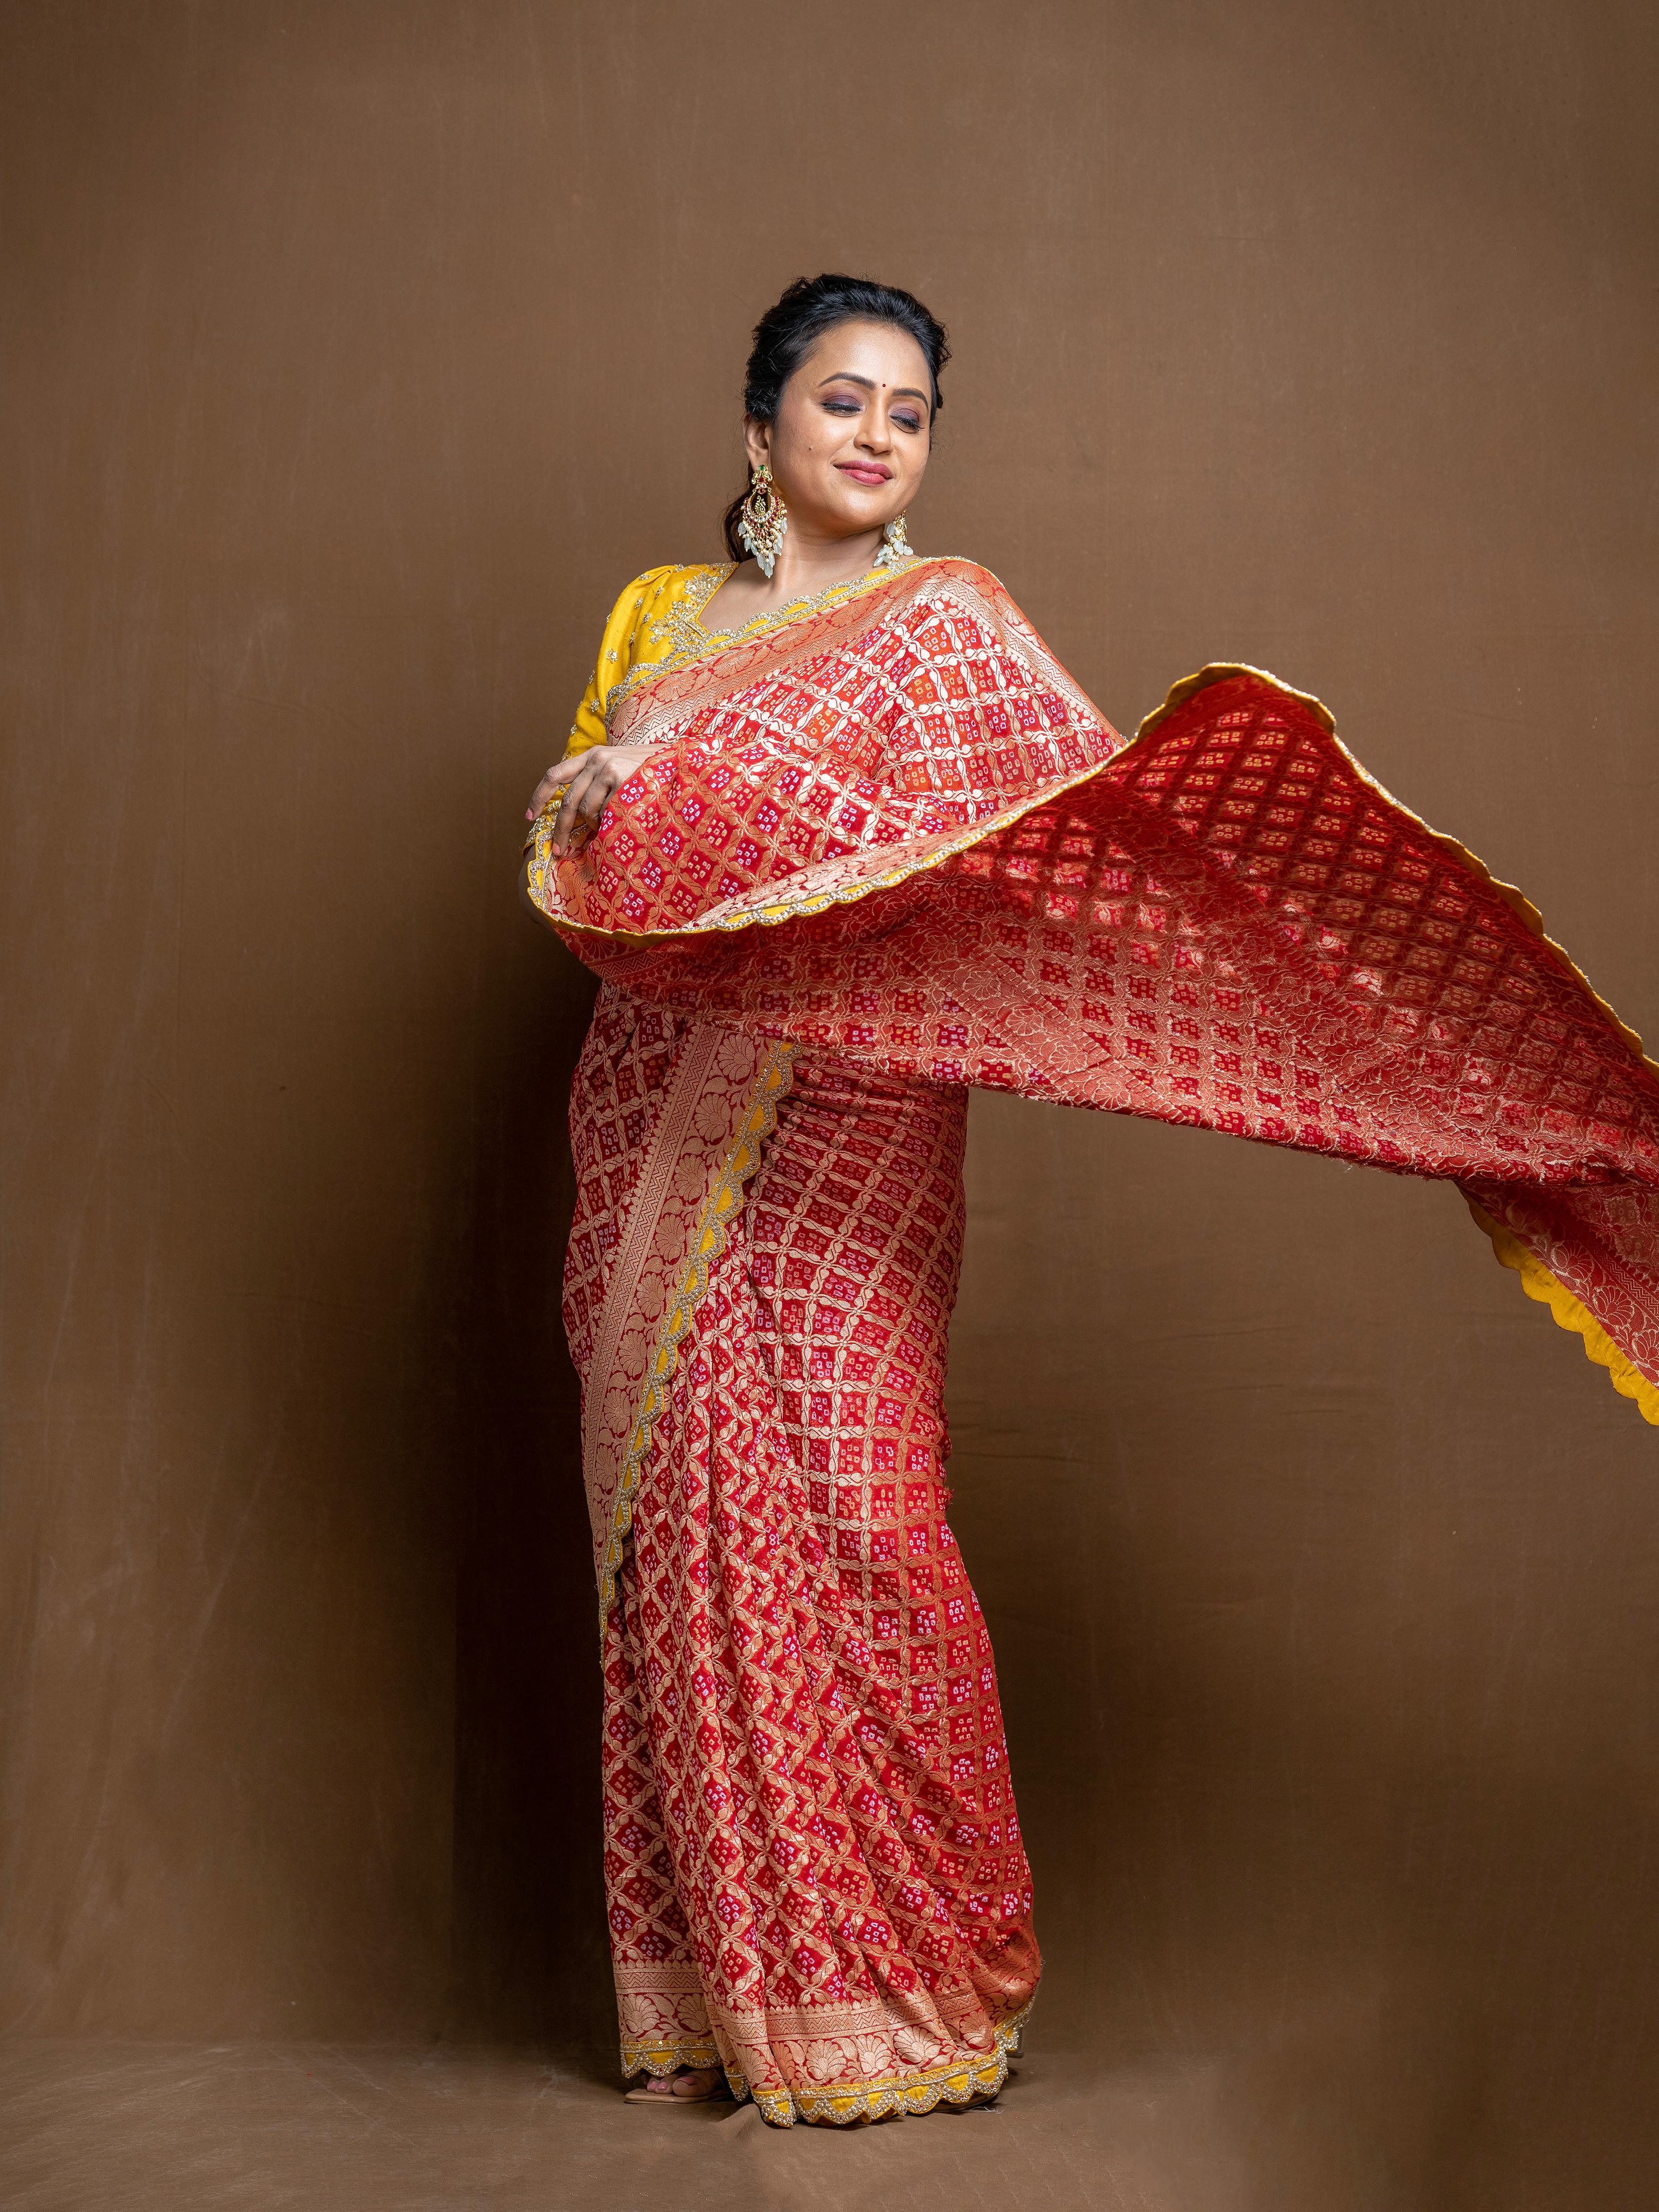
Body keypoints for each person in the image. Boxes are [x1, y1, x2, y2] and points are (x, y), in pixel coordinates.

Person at [522, 275, 1659, 2127]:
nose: (879, 435)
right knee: (684, 1535)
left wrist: (1355, 986)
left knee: (859, 1521)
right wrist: (605, 789)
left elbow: (1096, 834)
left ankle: (913, 1992)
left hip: (854, 1122)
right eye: (842, 400)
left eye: (911, 410)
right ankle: (738, 2009)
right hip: (647, 1120)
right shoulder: (659, 618)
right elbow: (583, 841)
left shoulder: (949, 631)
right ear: (759, 431)